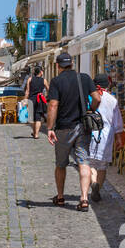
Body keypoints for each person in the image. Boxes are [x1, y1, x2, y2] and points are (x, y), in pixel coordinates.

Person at [46, 52, 95, 210]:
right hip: (82, 127)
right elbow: (97, 98)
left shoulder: (56, 81)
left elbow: (53, 105)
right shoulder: (85, 78)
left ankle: (60, 197)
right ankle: (84, 198)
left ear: (57, 66)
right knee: (83, 162)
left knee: (61, 164)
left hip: (63, 128)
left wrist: (49, 128)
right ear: (72, 64)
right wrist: (90, 111)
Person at [85, 72, 124, 203]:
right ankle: (98, 188)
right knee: (102, 166)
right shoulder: (112, 100)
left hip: (91, 133)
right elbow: (117, 122)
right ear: (107, 85)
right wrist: (119, 139)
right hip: (106, 136)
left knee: (91, 163)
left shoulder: (89, 97)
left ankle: (93, 182)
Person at [24, 65, 47, 139]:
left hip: (31, 100)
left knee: (32, 118)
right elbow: (49, 89)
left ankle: (34, 132)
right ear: (40, 72)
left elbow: (27, 91)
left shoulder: (30, 79)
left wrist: (25, 100)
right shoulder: (44, 80)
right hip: (39, 99)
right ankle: (36, 134)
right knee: (38, 117)